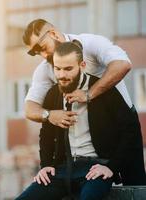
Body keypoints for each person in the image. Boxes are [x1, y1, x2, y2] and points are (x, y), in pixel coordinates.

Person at [15, 41, 146, 200]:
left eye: (68, 69)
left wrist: (111, 167)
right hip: (63, 170)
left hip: (95, 168)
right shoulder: (52, 94)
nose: (62, 75)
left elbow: (130, 130)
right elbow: (46, 134)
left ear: (82, 65)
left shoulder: (104, 91)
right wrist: (46, 165)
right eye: (58, 69)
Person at [23, 19, 132, 128]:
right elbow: (29, 108)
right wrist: (48, 115)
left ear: (54, 34)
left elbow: (122, 64)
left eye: (43, 48)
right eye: (38, 53)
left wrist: (88, 94)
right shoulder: (45, 68)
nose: (44, 56)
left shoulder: (91, 43)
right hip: (83, 135)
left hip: (119, 120)